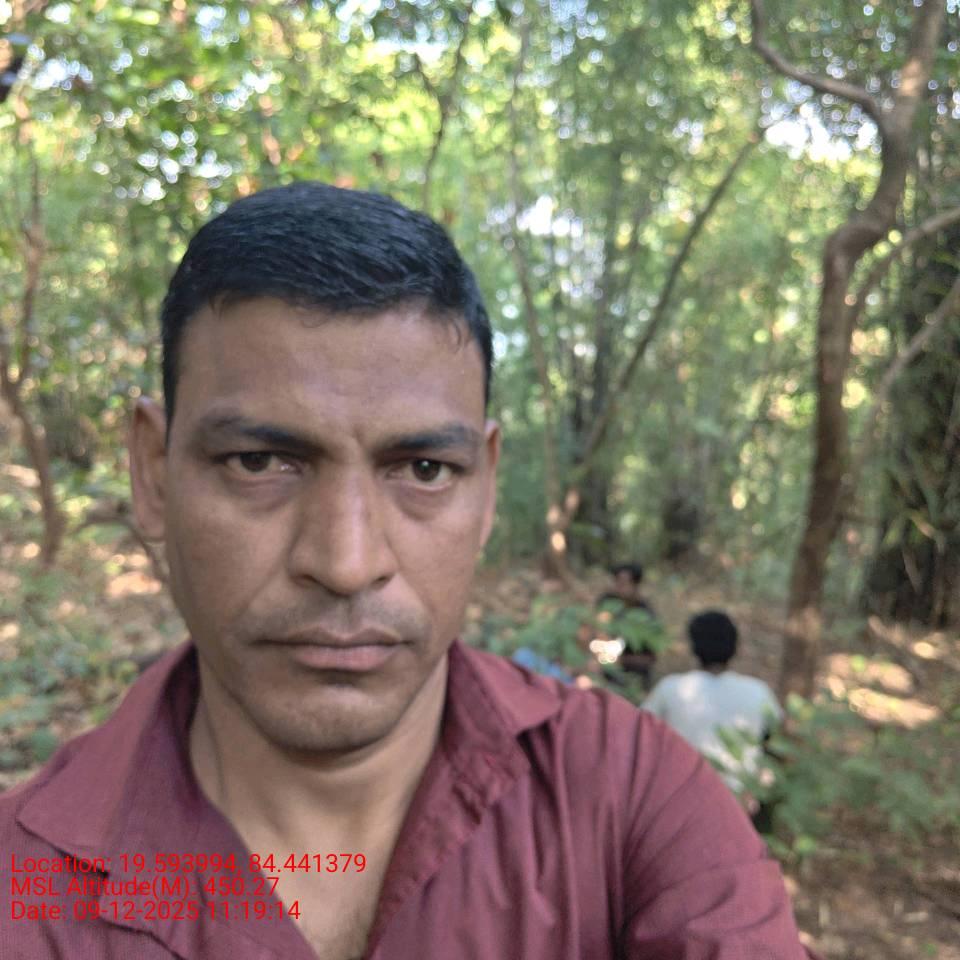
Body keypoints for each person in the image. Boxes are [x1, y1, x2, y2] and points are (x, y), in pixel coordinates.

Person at [0, 183, 816, 959]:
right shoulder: (22, 888)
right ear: (152, 473)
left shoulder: (633, 800)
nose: (347, 564)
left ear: (485, 488)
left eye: (424, 470)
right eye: (259, 461)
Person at [643, 610, 783, 809]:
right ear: (735, 647)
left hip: (679, 802)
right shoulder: (759, 692)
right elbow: (777, 743)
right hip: (741, 804)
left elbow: (641, 739)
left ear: (693, 646)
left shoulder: (670, 689)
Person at [596, 561, 660, 689]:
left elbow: (650, 658)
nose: (618, 588)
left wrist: (621, 660)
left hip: (635, 676)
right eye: (617, 583)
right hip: (607, 673)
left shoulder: (645, 614)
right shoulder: (607, 602)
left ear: (635, 585)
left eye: (623, 584)